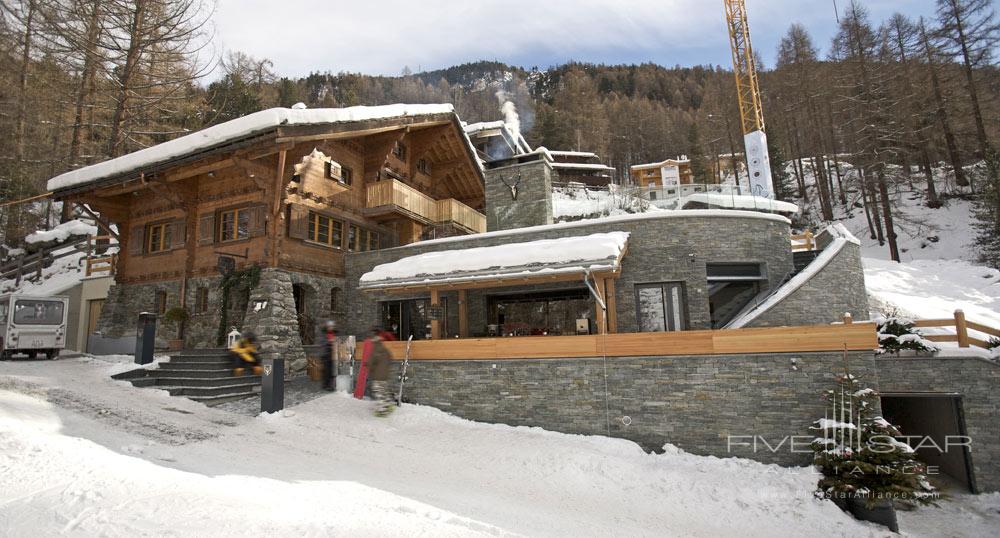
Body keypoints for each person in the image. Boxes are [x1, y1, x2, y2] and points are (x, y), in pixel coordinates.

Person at [366, 328, 394, 417]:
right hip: (385, 374)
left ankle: (383, 411)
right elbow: (390, 357)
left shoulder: (375, 349)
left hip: (377, 375)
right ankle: (389, 405)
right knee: (384, 391)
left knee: (379, 392)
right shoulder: (384, 348)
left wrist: (368, 365)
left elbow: (371, 361)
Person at [321, 320, 337, 391]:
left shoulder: (334, 333)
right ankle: (326, 385)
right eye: (330, 326)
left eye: (332, 326)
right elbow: (322, 343)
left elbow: (335, 341)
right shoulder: (323, 334)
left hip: (332, 354)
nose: (331, 327)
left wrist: (335, 341)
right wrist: (329, 341)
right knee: (326, 371)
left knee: (331, 371)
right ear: (327, 327)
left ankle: (330, 385)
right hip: (325, 354)